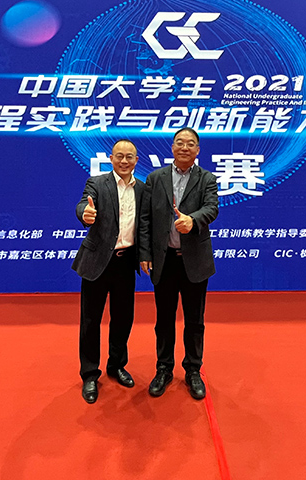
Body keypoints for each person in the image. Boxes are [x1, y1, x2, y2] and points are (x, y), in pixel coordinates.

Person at [139, 127, 219, 400]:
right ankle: (163, 368)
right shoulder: (156, 178)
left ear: (198, 150)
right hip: (164, 261)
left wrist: (192, 220)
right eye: (180, 143)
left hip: (194, 260)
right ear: (172, 147)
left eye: (190, 144)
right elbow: (146, 218)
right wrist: (145, 253)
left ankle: (193, 370)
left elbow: (212, 208)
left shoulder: (207, 178)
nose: (185, 147)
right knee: (164, 319)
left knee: (195, 320)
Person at [72, 139, 145, 404]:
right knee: (91, 320)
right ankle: (90, 374)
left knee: (123, 318)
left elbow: (145, 225)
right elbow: (83, 205)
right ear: (111, 158)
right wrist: (85, 214)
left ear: (136, 160)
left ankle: (116, 365)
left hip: (126, 262)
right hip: (98, 261)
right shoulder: (97, 183)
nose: (124, 161)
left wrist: (146, 256)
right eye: (119, 156)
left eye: (129, 156)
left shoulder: (143, 189)